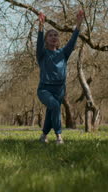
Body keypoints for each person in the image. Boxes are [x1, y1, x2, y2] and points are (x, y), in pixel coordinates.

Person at [36, 10, 84, 144]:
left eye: (56, 35)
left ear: (58, 40)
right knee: (54, 106)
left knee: (52, 111)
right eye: (50, 35)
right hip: (44, 89)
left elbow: (73, 40)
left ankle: (44, 135)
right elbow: (39, 42)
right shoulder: (42, 54)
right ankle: (59, 136)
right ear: (46, 39)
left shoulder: (64, 53)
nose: (53, 37)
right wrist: (41, 27)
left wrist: (78, 25)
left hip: (60, 90)